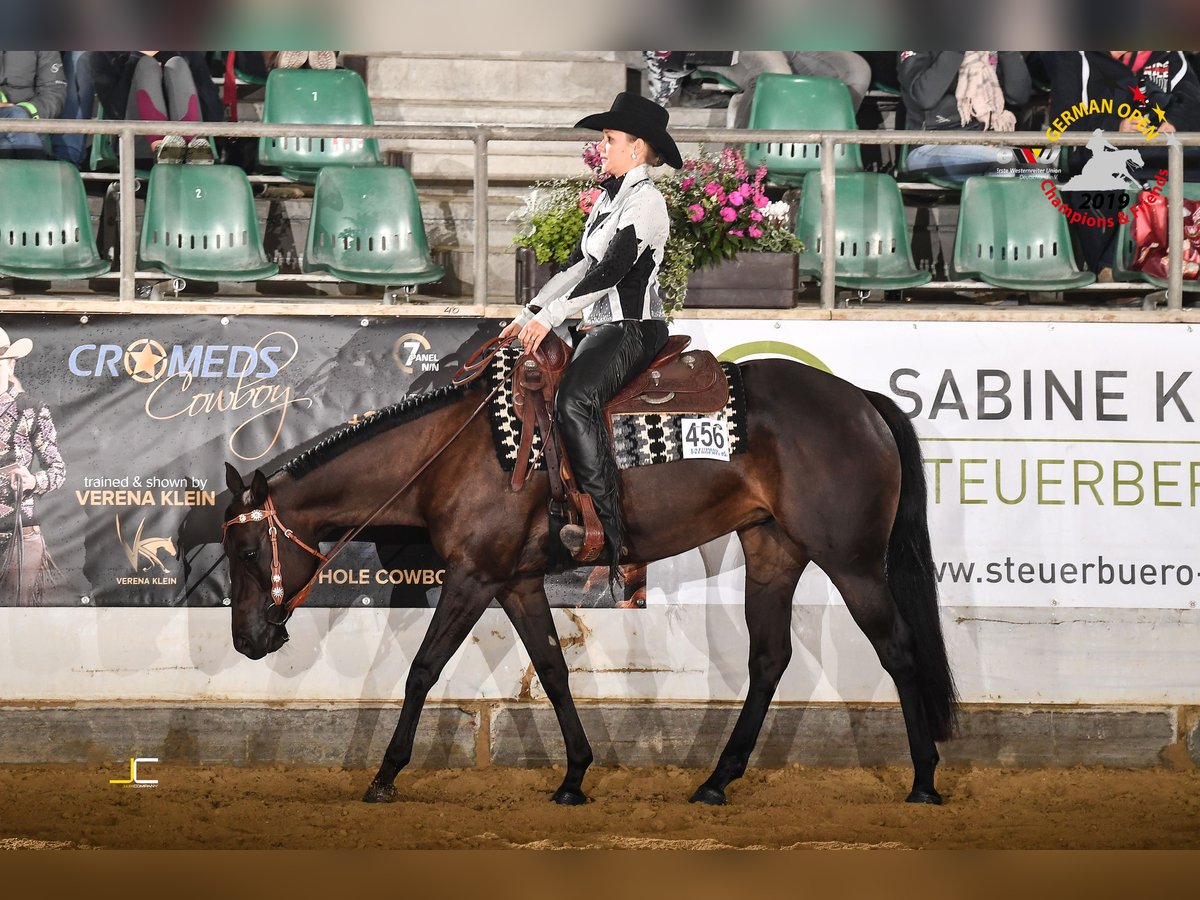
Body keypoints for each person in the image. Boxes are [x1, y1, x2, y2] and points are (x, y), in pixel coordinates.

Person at [499, 92, 681, 579]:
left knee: (575, 401)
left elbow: (613, 273)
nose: (602, 145)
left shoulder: (646, 203)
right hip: (600, 325)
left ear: (638, 148)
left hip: (632, 328)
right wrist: (531, 311)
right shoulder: (609, 198)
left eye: (609, 138)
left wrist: (552, 314)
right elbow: (582, 266)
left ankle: (609, 531)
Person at [1041, 50, 1200, 280]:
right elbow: (1064, 121)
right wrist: (1116, 126)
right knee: (1104, 177)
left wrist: (1173, 123)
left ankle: (1181, 264)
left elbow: (1193, 102)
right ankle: (1111, 266)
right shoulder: (1074, 56)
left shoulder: (1168, 54)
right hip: (1097, 152)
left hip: (1159, 152)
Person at [0, 326, 66, 606]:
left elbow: (58, 470)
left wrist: (32, 481)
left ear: (11, 363)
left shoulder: (32, 409)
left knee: (16, 616)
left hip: (20, 533)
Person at [899, 50, 1032, 183]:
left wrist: (1008, 52)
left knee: (1041, 167)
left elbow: (1019, 97)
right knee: (1004, 163)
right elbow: (924, 97)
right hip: (929, 146)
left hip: (985, 143)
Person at [88, 51, 221, 165]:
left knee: (177, 64)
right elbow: (115, 112)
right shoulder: (104, 53)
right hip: (137, 143)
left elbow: (213, 112)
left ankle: (191, 144)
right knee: (146, 66)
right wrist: (136, 58)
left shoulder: (184, 51)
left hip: (193, 146)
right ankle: (162, 148)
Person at [0, 50, 67, 159]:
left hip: (29, 123)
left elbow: (54, 93)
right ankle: (41, 172)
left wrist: (25, 112)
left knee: (7, 146)